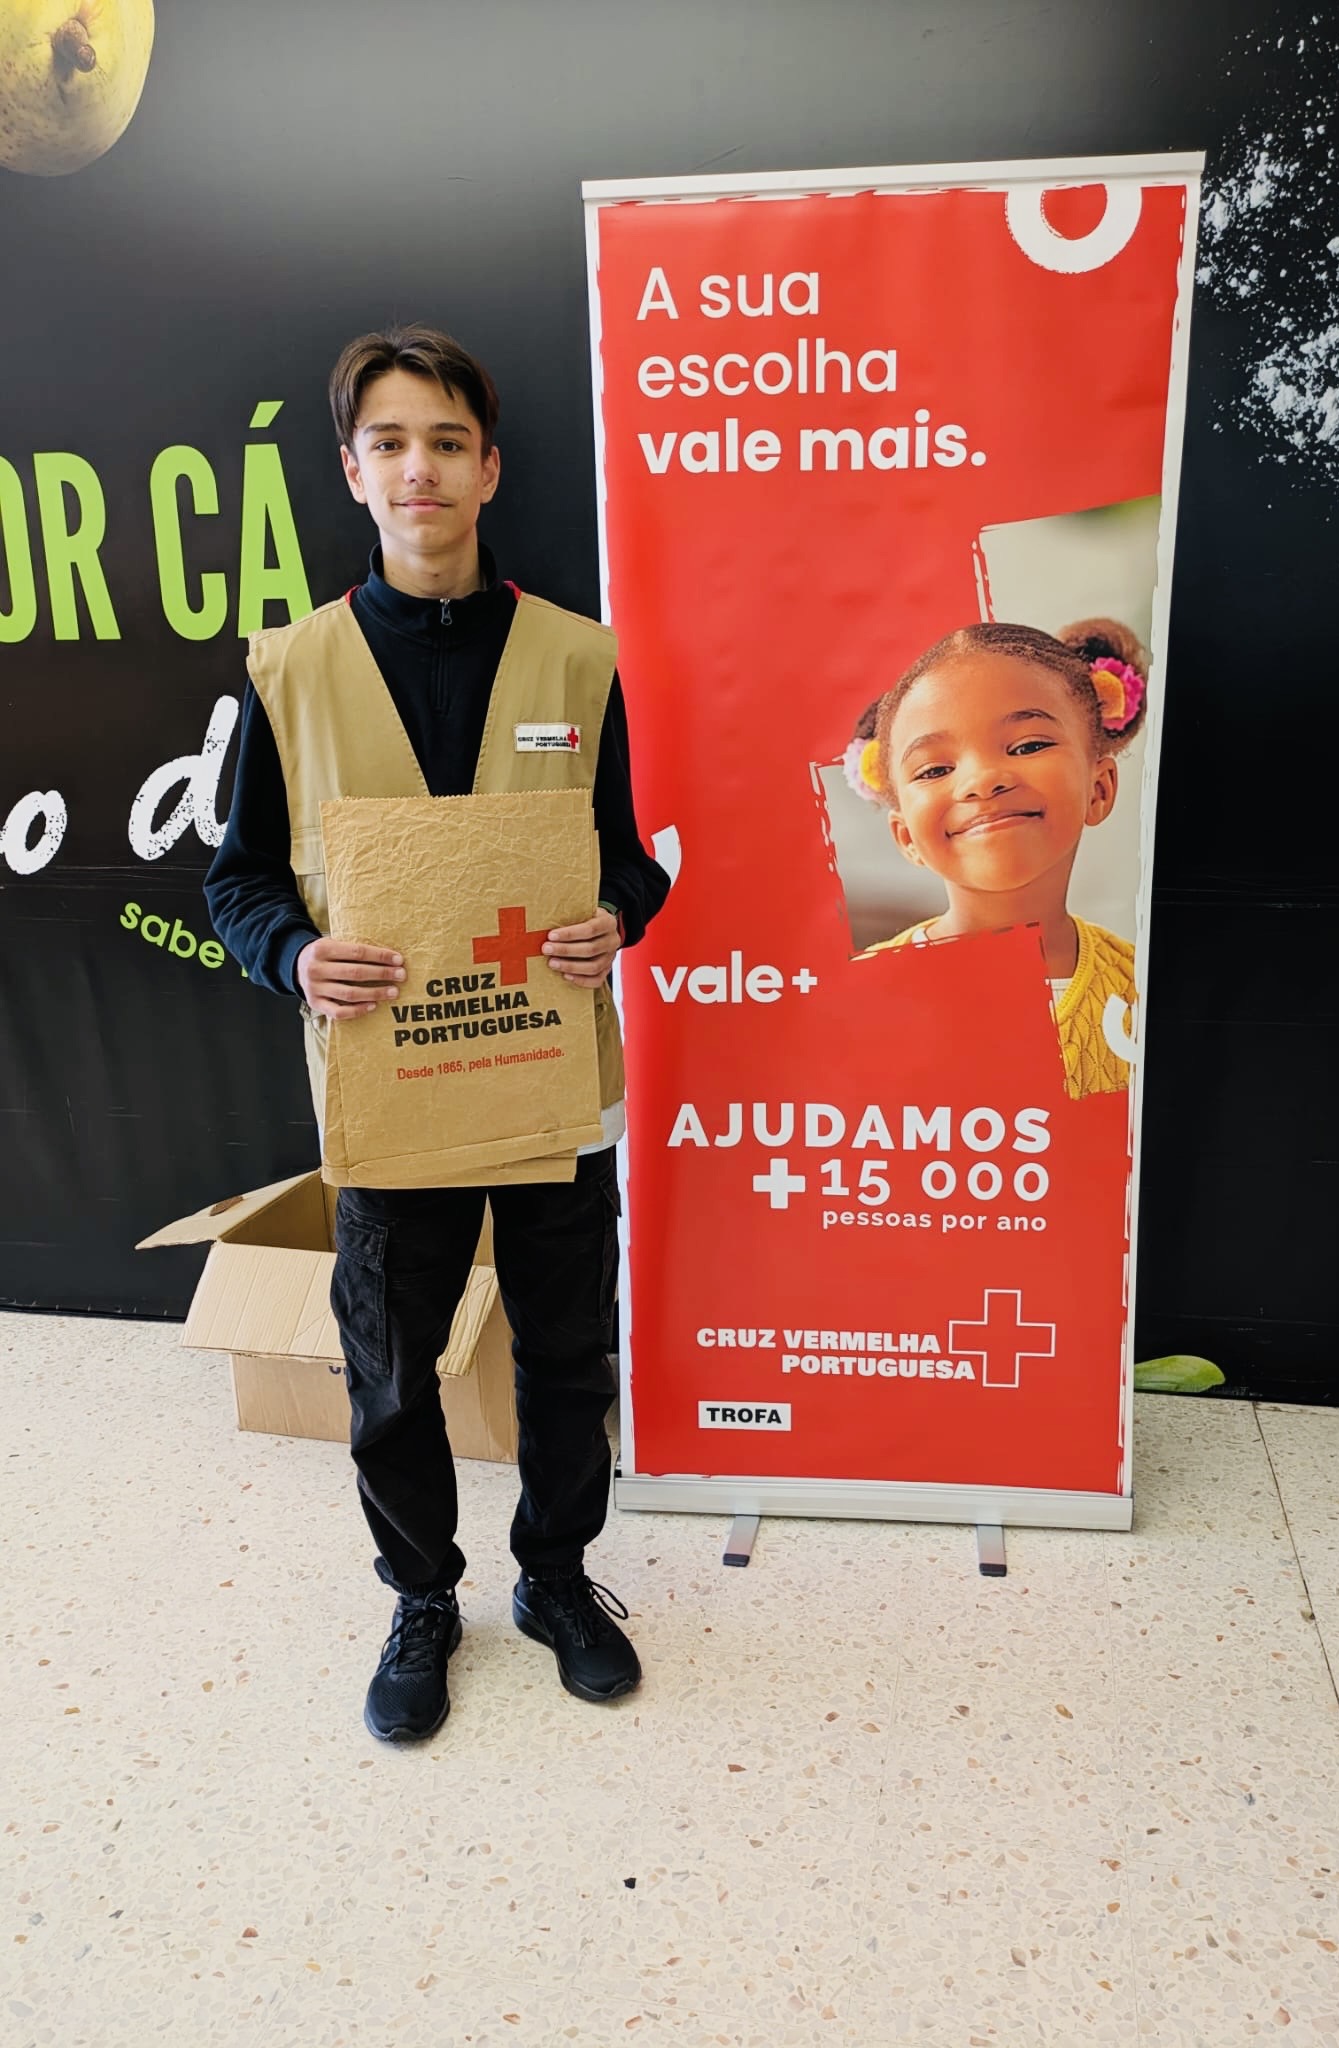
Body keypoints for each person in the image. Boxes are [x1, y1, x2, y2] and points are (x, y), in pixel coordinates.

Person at [205, 325, 669, 1742]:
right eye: (392, 442)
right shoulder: (291, 671)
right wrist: (296, 955)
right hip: (392, 1086)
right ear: (354, 472)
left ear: (489, 469)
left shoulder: (576, 658)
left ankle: (556, 1579)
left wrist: (616, 915)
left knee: (566, 1354)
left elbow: (627, 856)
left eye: (448, 442)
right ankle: (421, 1596)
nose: (422, 468)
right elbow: (239, 882)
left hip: (548, 1073)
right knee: (395, 1365)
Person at [850, 619, 1145, 1099]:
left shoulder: (1148, 991)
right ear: (905, 836)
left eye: (1028, 745)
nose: (982, 780)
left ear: (1099, 789)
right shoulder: (855, 1002)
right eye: (935, 769)